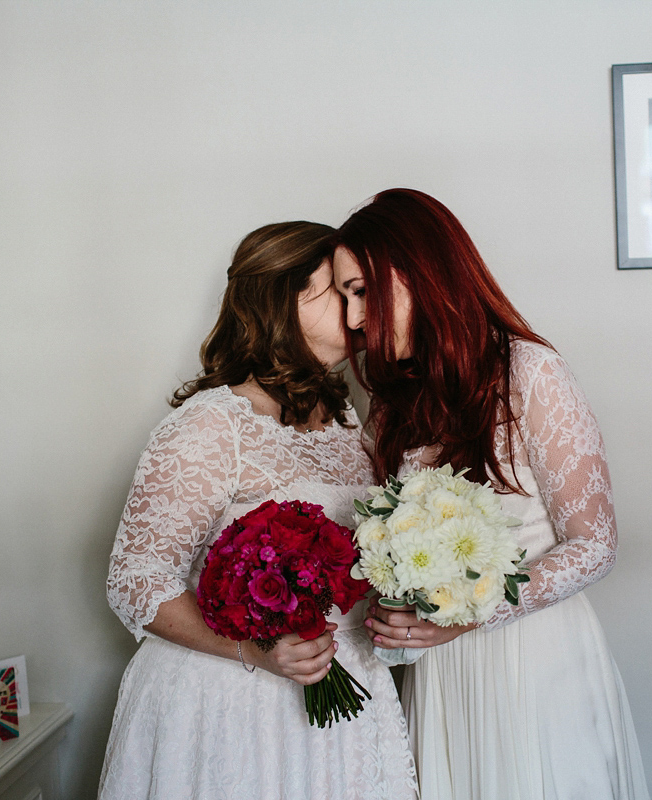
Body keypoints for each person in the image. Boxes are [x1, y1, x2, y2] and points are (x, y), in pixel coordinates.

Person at [333, 189, 650, 800]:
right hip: (439, 673)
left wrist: (471, 616)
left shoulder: (531, 372)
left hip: (531, 660)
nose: (352, 320)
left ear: (417, 270)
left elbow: (595, 545)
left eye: (361, 291)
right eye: (346, 296)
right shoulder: (394, 401)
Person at [99, 222, 417, 800]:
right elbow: (135, 581)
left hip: (345, 689)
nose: (360, 311)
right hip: (233, 701)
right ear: (288, 298)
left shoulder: (349, 422)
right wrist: (252, 649)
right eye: (344, 291)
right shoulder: (212, 425)